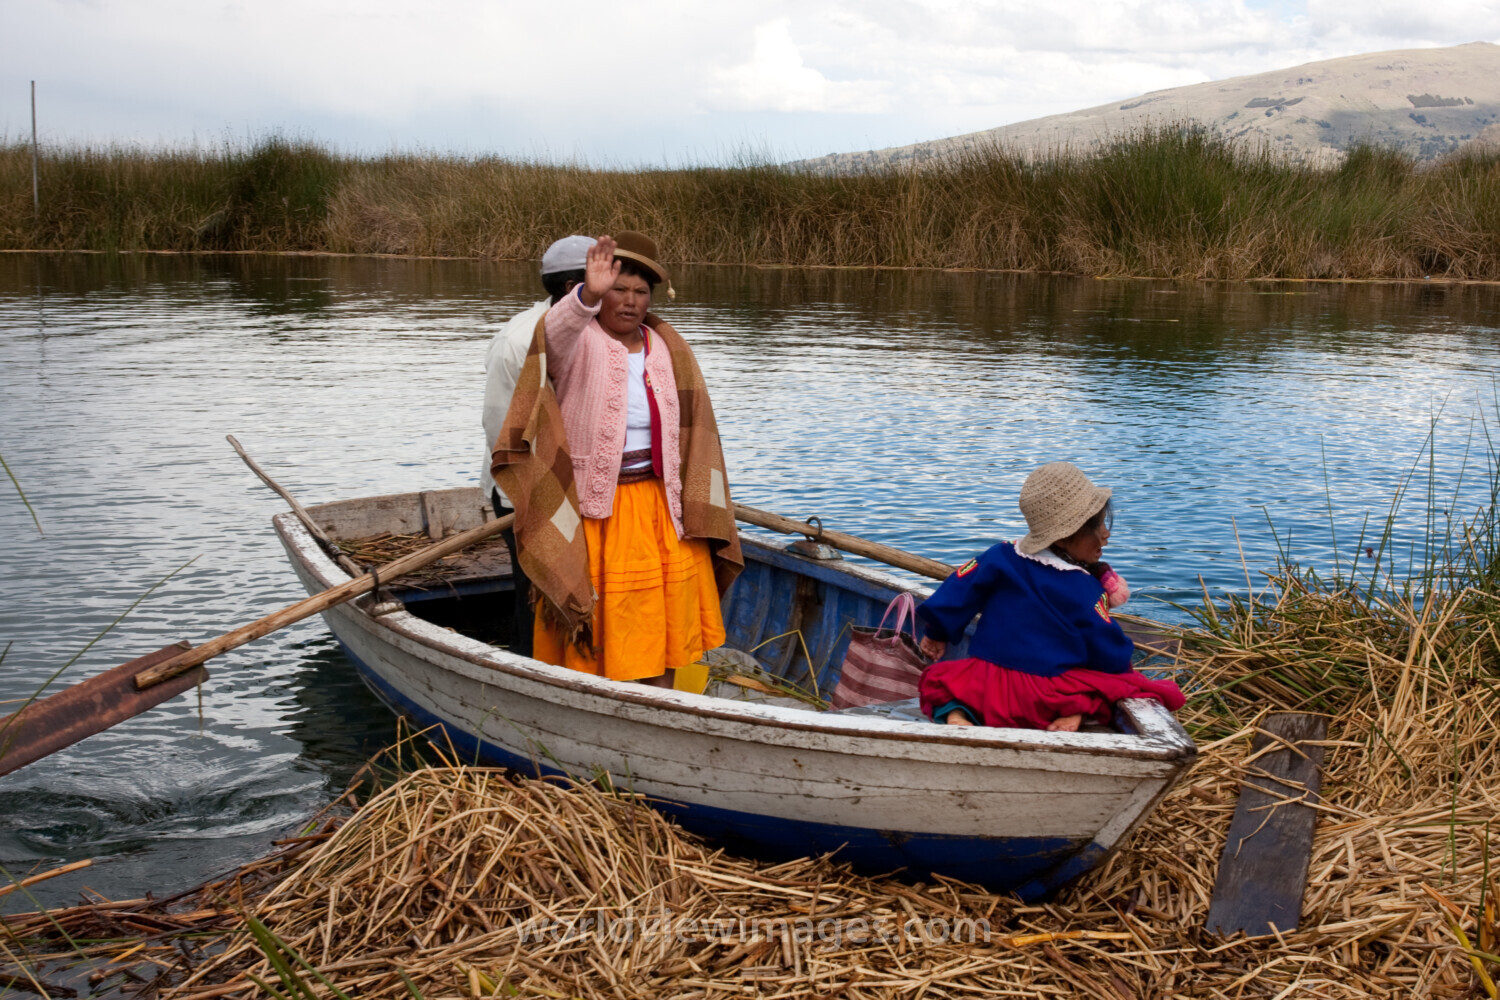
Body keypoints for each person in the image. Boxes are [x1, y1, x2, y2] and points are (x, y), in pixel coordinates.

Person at [490, 232, 743, 687]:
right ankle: (601, 698)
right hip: (596, 506)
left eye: (640, 292)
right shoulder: (578, 341)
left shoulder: (665, 345)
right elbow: (552, 333)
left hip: (662, 504)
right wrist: (588, 293)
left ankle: (662, 699)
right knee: (603, 618)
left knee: (666, 616)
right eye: (618, 290)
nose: (629, 302)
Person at [914, 462, 1185, 731]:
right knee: (1110, 688)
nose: (1106, 534)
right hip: (1041, 698)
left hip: (988, 687)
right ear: (1065, 537)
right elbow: (1105, 647)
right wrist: (1123, 668)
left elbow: (956, 591)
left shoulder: (999, 556)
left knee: (940, 682)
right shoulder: (1084, 586)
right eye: (1099, 526)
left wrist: (936, 632)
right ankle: (1073, 713)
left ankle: (958, 716)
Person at [481, 235, 596, 657]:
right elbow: (502, 429)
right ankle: (528, 669)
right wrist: (533, 498)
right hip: (528, 488)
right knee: (538, 594)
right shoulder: (521, 340)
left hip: (581, 488)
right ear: (573, 290)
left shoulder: (598, 332)